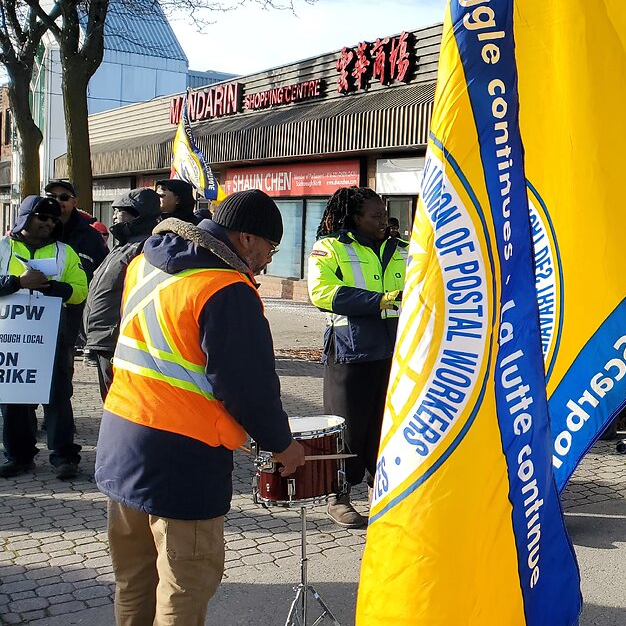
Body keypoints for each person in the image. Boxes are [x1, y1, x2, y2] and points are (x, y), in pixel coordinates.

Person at [96, 188, 305, 625]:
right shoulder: (225, 288)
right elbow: (246, 385)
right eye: (270, 246)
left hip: (121, 442)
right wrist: (281, 444)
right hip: (182, 460)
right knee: (184, 586)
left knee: (134, 580)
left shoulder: (145, 263)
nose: (268, 259)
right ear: (246, 239)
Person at [308, 187, 405, 529]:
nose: (383, 221)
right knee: (346, 425)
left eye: (384, 214)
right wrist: (377, 301)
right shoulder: (330, 248)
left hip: (396, 350)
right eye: (375, 215)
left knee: (387, 423)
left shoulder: (403, 250)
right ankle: (338, 495)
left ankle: (381, 488)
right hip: (350, 348)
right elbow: (321, 292)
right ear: (355, 217)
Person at [0, 196, 88, 480]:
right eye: (42, 218)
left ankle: (64, 457)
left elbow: (80, 290)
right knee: (14, 398)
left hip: (49, 336)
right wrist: (17, 283)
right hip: (10, 338)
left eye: (52, 220)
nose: (49, 224)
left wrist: (54, 287)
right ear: (25, 217)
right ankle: (19, 456)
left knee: (58, 396)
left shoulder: (65, 252)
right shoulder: (3, 248)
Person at [82, 189, 164, 400]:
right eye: (115, 209)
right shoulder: (123, 246)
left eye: (122, 210)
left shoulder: (145, 247)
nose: (116, 214)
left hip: (117, 339)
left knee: (120, 401)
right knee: (111, 401)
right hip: (103, 338)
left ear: (138, 215)